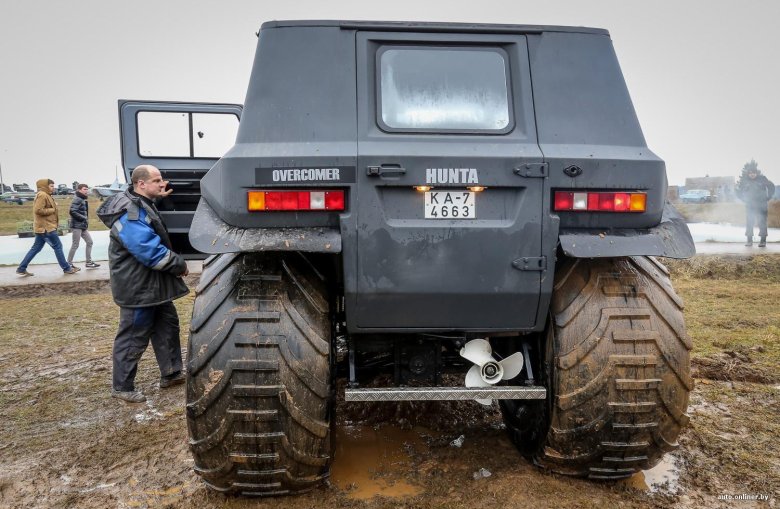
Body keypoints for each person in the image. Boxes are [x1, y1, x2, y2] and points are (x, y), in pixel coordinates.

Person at [97, 165, 188, 403]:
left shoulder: (141, 203)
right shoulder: (130, 213)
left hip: (152, 286)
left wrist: (158, 197)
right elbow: (149, 251)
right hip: (138, 288)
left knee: (167, 325)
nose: (162, 184)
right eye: (157, 180)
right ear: (141, 184)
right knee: (133, 336)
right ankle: (123, 386)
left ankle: (171, 373)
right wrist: (179, 265)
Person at [16, 179, 78, 276]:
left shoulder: (46, 195)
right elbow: (38, 210)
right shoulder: (42, 195)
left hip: (42, 227)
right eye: (51, 186)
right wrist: (53, 209)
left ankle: (21, 268)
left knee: (36, 248)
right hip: (46, 228)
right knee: (58, 247)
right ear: (45, 186)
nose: (53, 188)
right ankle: (66, 268)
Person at [736, 160, 775, 247]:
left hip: (762, 206)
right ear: (748, 174)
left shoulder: (763, 179)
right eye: (750, 173)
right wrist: (743, 199)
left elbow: (771, 186)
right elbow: (738, 191)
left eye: (754, 173)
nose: (752, 174)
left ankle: (763, 241)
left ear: (756, 173)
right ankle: (749, 240)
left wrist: (768, 197)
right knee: (749, 222)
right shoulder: (745, 181)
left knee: (762, 223)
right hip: (750, 206)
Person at [67, 183, 100, 268]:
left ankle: (88, 262)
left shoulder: (82, 199)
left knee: (89, 242)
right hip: (76, 226)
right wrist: (83, 218)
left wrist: (84, 220)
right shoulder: (77, 199)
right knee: (75, 244)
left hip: (82, 225)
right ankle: (69, 263)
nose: (86, 190)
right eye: (84, 189)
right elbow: (72, 211)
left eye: (87, 189)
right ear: (79, 190)